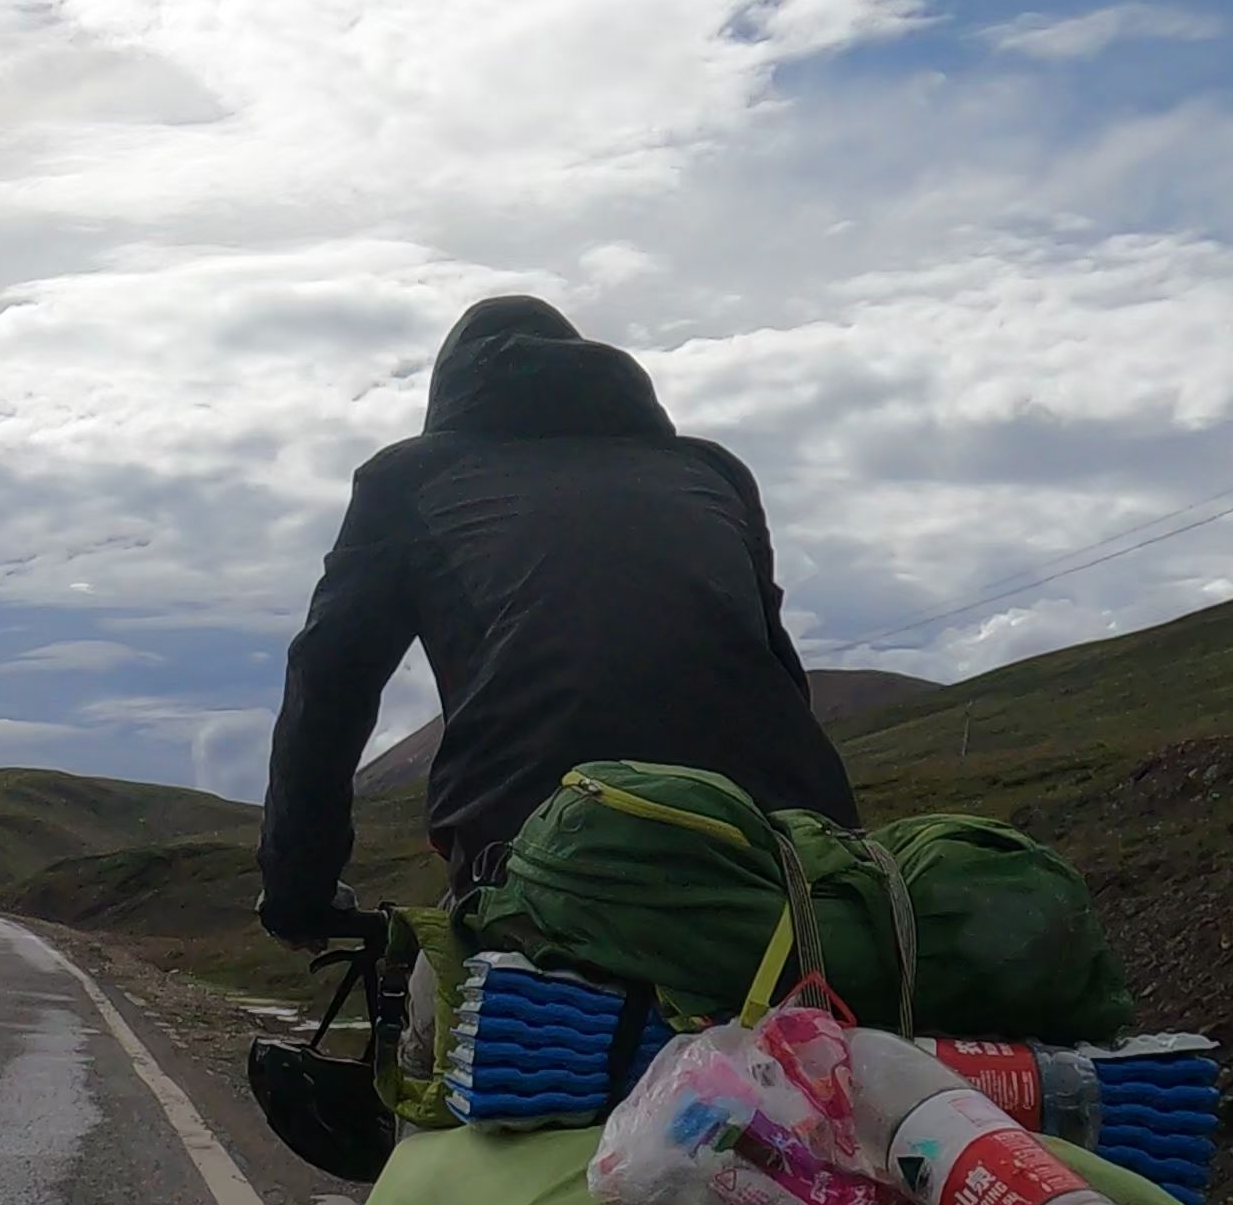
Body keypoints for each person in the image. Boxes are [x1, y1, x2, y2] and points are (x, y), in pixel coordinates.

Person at [255, 295, 857, 944]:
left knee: (450, 1006)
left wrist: (299, 892)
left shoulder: (410, 479)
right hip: (788, 851)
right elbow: (776, 667)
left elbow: (328, 689)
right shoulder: (711, 471)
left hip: (535, 849)